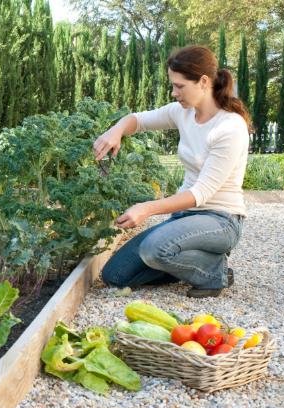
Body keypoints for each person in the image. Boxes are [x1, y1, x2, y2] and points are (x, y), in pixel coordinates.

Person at [93, 45, 250, 298]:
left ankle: (214, 272)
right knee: (115, 276)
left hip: (221, 219)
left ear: (203, 81)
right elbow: (139, 120)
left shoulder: (229, 127)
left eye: (179, 86)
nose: (174, 92)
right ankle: (189, 259)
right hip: (185, 217)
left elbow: (201, 193)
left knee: (155, 249)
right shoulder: (183, 112)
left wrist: (146, 208)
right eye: (173, 85)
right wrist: (116, 130)